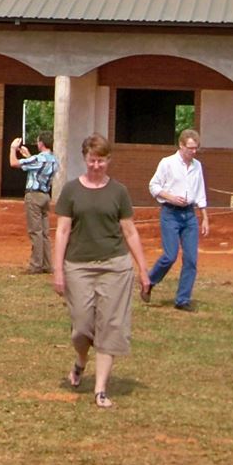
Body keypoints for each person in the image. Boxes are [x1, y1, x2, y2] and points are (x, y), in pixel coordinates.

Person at [52, 134, 151, 409]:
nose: (97, 165)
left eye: (102, 160)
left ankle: (100, 389)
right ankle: (81, 361)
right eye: (92, 160)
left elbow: (129, 231)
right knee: (82, 327)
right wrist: (57, 270)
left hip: (115, 267)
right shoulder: (71, 190)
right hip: (78, 266)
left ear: (109, 160)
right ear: (85, 159)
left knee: (110, 326)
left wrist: (143, 270)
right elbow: (62, 231)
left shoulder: (119, 192)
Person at [146, 128, 209, 310]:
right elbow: (153, 186)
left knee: (191, 259)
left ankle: (183, 300)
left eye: (196, 148)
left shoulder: (197, 166)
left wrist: (204, 217)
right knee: (170, 255)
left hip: (189, 215)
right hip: (170, 213)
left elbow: (200, 192)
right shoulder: (167, 163)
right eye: (190, 148)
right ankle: (150, 281)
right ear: (181, 146)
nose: (193, 152)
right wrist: (170, 197)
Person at [9, 132, 57, 273]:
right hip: (45, 196)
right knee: (44, 233)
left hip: (34, 196)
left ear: (41, 143)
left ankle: (36, 265)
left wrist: (13, 149)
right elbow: (38, 169)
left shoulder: (39, 159)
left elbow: (13, 163)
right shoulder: (54, 160)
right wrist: (29, 156)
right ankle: (48, 264)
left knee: (35, 231)